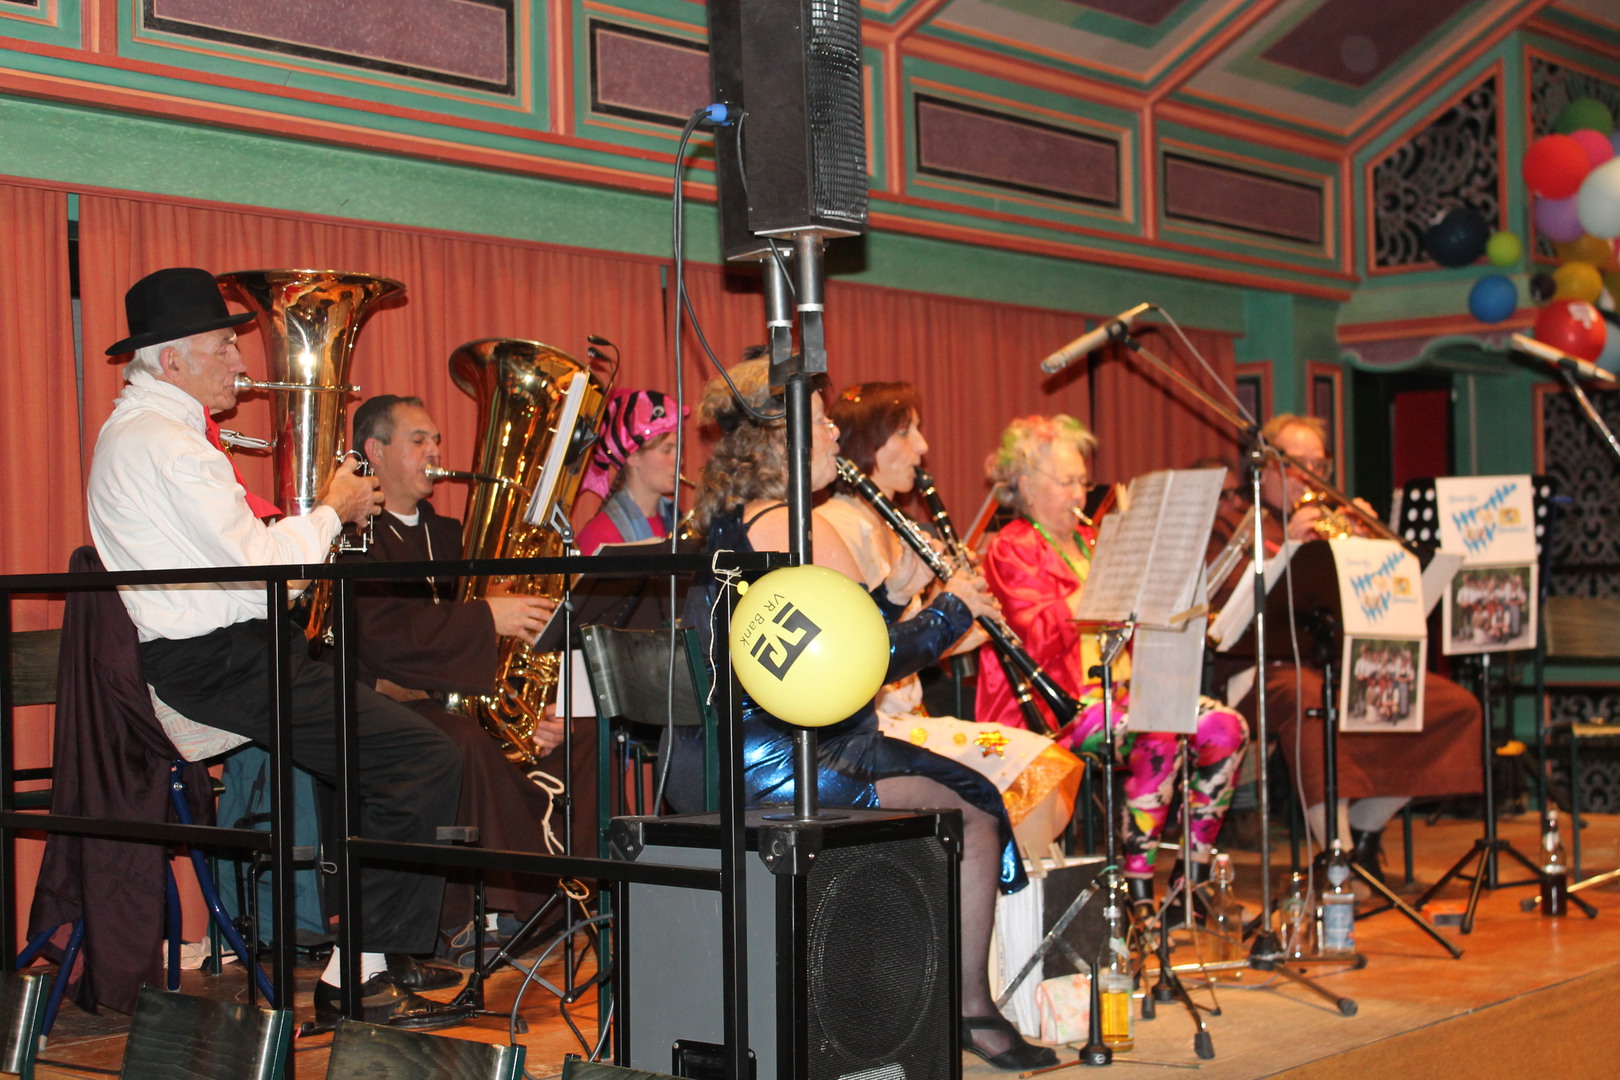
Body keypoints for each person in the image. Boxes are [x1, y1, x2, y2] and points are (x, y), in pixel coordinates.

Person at [86, 267, 471, 1028]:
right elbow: (264, 571)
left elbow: (240, 571)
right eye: (224, 346)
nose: (240, 360)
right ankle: (355, 976)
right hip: (221, 660)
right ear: (172, 359)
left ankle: (374, 955)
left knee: (375, 761)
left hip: (236, 648)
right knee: (422, 757)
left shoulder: (144, 432)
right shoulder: (169, 445)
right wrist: (331, 510)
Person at [674, 357, 1057, 1070]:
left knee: (954, 792)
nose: (833, 435)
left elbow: (826, 648)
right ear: (782, 437)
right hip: (792, 759)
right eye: (821, 422)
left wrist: (894, 595)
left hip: (731, 752)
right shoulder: (799, 528)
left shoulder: (732, 522)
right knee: (977, 808)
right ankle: (971, 1009)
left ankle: (899, 997)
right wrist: (951, 610)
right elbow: (864, 666)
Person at [347, 393, 591, 963]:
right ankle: (498, 911)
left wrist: (543, 709)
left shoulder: (455, 534)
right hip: (396, 700)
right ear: (375, 452)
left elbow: (513, 642)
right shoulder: (357, 538)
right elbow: (380, 633)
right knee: (462, 743)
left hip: (471, 694)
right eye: (418, 440)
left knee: (585, 733)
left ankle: (581, 891)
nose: (435, 450)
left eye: (436, 440)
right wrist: (485, 616)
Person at [976, 415, 1249, 915]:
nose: (1080, 493)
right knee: (1157, 731)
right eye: (1066, 481)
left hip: (1123, 691)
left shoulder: (1092, 540)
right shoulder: (1011, 546)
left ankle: (1192, 883)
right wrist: (1104, 587)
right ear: (1027, 485)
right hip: (1058, 706)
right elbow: (1032, 635)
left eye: (1083, 481)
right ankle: (1138, 892)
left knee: (1227, 728)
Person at [1208, 413, 1482, 874]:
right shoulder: (1234, 521)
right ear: (1266, 466)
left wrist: (1371, 550)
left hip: (1338, 663)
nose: (1309, 475)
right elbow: (1223, 603)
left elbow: (1384, 610)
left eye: (1318, 464)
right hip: (1261, 668)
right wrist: (1286, 546)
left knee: (1453, 707)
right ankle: (1335, 854)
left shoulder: (1336, 521)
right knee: (1313, 702)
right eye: (1296, 463)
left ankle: (1363, 830)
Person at [822, 382, 1082, 849]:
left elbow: (915, 642)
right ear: (869, 444)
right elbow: (863, 648)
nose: (923, 446)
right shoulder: (839, 526)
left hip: (910, 715)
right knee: (1039, 766)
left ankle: (1008, 887)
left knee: (1048, 771)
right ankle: (1002, 888)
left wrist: (968, 621)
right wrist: (946, 611)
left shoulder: (892, 526)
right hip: (874, 726)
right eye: (907, 433)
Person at [576, 389, 686, 555]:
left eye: (679, 450)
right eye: (666, 450)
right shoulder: (598, 535)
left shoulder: (676, 520)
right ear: (633, 456)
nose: (680, 461)